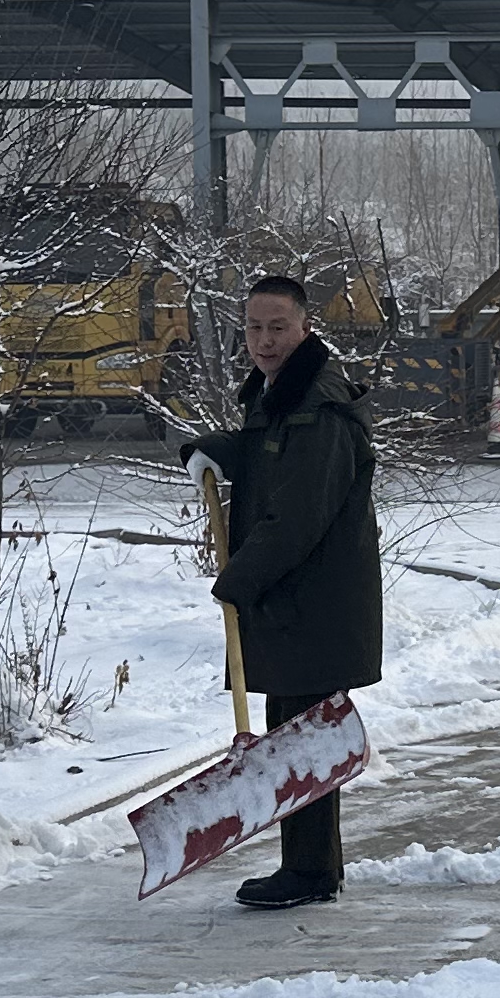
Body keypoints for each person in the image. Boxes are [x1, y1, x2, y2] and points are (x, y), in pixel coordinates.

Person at [197, 271, 381, 911]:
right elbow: (269, 455)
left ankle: (309, 871)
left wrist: (238, 579)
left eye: (278, 328)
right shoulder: (279, 394)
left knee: (303, 735)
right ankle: (306, 866)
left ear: (305, 328)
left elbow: (301, 511)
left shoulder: (318, 406)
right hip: (294, 601)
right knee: (295, 731)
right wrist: (218, 449)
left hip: (316, 601)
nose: (265, 340)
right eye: (254, 327)